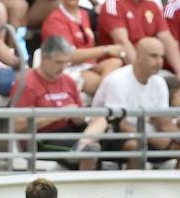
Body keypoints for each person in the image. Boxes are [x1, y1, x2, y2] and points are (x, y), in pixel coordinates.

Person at [92, 36, 180, 169]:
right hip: (111, 135)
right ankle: (132, 189)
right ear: (138, 56)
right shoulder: (118, 80)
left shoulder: (159, 82)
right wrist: (151, 138)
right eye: (154, 56)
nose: (159, 62)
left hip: (145, 134)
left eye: (162, 57)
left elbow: (164, 123)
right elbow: (118, 124)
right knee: (137, 147)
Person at [12, 35, 108, 168]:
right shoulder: (27, 83)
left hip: (72, 132)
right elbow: (18, 125)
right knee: (91, 150)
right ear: (44, 58)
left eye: (66, 63)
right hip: (42, 137)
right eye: (58, 62)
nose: (63, 67)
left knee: (101, 120)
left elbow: (80, 118)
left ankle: (81, 146)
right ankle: (83, 154)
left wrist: (77, 116)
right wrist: (58, 114)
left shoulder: (68, 81)